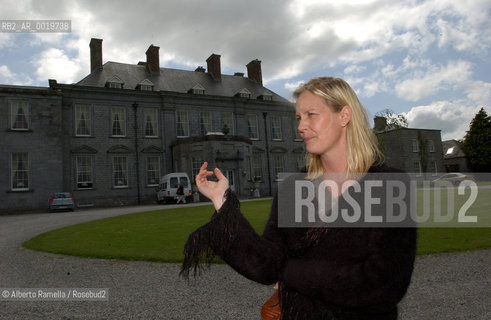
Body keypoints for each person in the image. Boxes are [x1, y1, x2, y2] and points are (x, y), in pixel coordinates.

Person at [181, 77, 417, 319]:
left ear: (344, 115)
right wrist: (222, 201)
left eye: (311, 114)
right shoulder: (292, 188)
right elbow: (266, 265)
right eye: (298, 118)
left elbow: (385, 285)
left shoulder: (388, 185)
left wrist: (290, 273)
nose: (301, 126)